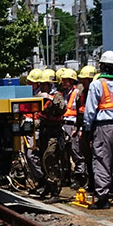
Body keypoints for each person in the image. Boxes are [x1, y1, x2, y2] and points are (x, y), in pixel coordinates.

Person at [82, 51, 113, 209]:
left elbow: (90, 110)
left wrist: (88, 128)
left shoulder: (96, 85)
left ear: (101, 66)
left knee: (101, 160)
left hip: (102, 127)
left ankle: (103, 198)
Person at [35, 68, 66, 197]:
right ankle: (48, 186)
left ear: (50, 84)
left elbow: (61, 108)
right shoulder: (39, 96)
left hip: (54, 133)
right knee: (42, 159)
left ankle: (55, 190)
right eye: (40, 84)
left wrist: (50, 99)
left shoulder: (57, 96)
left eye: (44, 84)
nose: (41, 86)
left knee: (50, 158)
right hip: (43, 132)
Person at [75, 65, 97, 189]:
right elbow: (79, 112)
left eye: (84, 79)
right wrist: (78, 128)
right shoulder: (82, 93)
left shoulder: (94, 93)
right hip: (84, 127)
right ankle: (91, 182)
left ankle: (96, 183)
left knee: (95, 156)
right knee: (87, 156)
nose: (82, 82)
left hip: (93, 128)